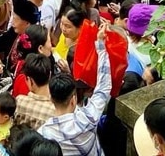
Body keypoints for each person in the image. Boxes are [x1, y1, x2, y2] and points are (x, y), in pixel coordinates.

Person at [39, 19, 111, 156]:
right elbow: (104, 86)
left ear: (51, 98)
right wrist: (101, 45)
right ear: (73, 99)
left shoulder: (44, 133)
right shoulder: (89, 117)